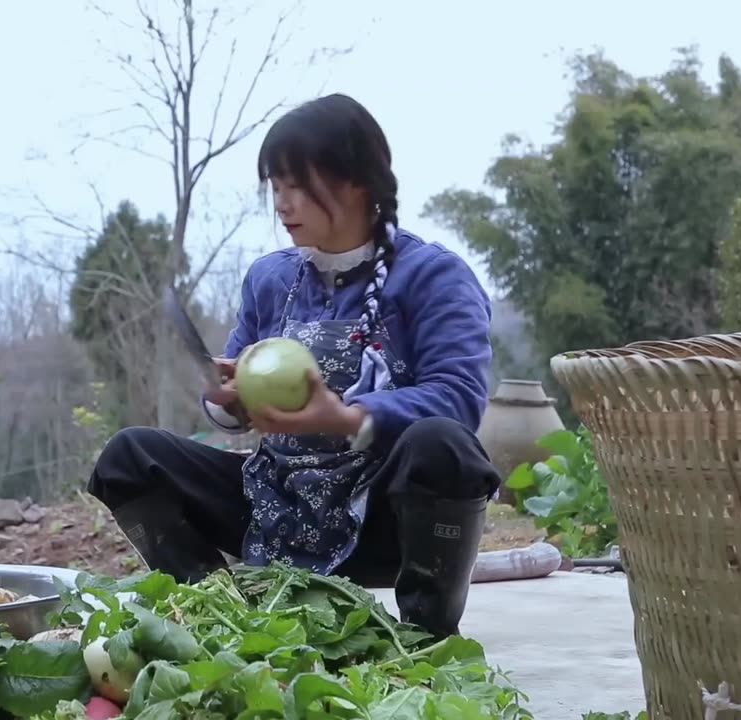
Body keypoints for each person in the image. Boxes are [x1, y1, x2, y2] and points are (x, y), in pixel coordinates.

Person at [86, 93, 499, 641]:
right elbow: (230, 416)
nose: (282, 203)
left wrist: (346, 417)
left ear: (357, 182)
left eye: (297, 186)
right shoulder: (270, 278)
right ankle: (220, 615)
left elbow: (458, 399)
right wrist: (227, 398)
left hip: (385, 516)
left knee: (445, 447)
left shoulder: (433, 276)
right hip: (274, 505)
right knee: (129, 458)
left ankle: (425, 636)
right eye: (275, 187)